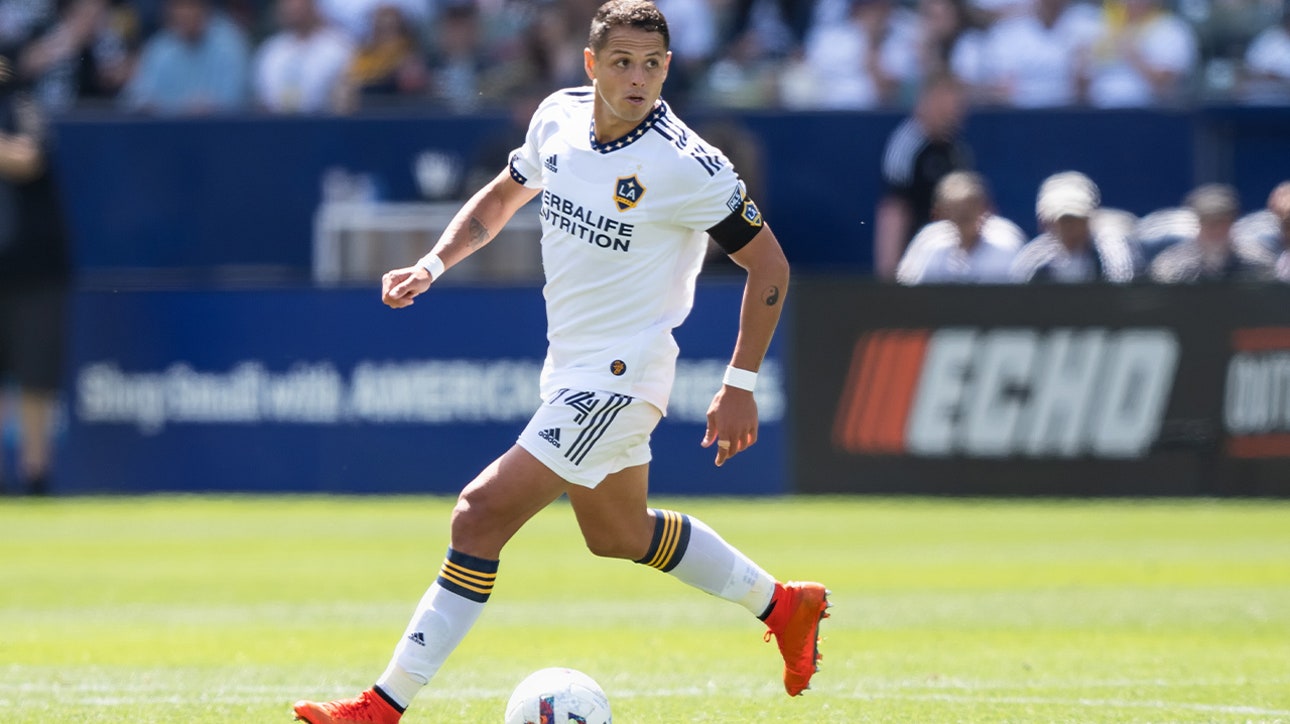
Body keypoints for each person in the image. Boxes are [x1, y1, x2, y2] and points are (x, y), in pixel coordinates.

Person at [291, 3, 829, 722]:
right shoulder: (557, 118)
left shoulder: (689, 165)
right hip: (572, 368)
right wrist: (433, 262)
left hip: (620, 376)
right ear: (590, 65)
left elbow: (770, 267)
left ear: (668, 68)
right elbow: (505, 194)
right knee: (618, 534)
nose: (639, 79)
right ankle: (784, 605)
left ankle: (380, 706)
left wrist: (739, 384)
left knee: (478, 516)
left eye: (653, 65)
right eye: (622, 63)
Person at [0, 65, 71, 496]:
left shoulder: (20, 102)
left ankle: (35, 472)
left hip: (34, 267)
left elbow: (29, 158)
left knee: (36, 372)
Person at [873, 72, 972, 281]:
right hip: (916, 264)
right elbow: (894, 211)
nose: (954, 112)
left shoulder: (956, 150)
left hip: (953, 265)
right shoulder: (907, 145)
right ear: (928, 100)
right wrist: (889, 275)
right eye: (947, 104)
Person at [119, 0, 250, 115]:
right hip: (168, 134)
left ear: (206, 9)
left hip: (222, 133)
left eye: (192, 5)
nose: (186, 12)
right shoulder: (159, 49)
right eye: (180, 6)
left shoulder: (230, 45)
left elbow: (236, 100)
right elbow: (139, 98)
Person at [895, 170, 1024, 284]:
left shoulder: (1006, 245)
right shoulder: (929, 244)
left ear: (986, 209)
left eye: (968, 212)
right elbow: (907, 296)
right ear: (939, 215)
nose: (961, 219)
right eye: (954, 212)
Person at [1011, 170, 1135, 283]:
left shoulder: (1112, 257)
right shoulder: (1033, 263)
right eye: (1064, 221)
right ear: (1046, 223)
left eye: (1079, 219)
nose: (1072, 228)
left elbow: (1122, 296)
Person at [1149, 183, 1272, 283]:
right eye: (1210, 223)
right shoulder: (1174, 265)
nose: (1217, 231)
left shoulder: (1256, 261)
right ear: (1198, 224)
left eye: (1223, 222)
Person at [252, 0, 353, 114]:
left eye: (298, 4)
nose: (292, 8)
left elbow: (346, 101)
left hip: (324, 123)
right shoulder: (271, 49)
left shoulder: (338, 47)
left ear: (313, 6)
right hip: (275, 124)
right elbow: (261, 100)